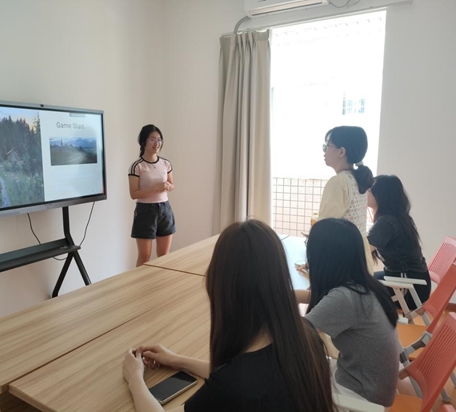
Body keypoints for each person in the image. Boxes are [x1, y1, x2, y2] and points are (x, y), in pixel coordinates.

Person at [122, 220, 336, 412]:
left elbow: (233, 381)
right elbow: (243, 375)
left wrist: (135, 378)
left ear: (222, 288)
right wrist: (177, 360)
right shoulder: (307, 336)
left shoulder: (233, 386)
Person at [295, 218, 400, 408]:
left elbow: (296, 334)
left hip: (363, 397)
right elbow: (324, 303)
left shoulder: (345, 298)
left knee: (286, 380)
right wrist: (283, 295)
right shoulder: (363, 285)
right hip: (368, 383)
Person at [367, 175, 431, 310]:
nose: (366, 193)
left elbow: (363, 250)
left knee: (357, 288)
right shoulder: (397, 217)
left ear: (381, 196)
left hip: (410, 290)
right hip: (416, 283)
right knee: (363, 282)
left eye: (370, 190)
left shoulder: (386, 222)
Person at [318, 126, 375, 273]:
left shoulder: (338, 182)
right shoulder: (358, 180)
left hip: (342, 260)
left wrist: (313, 260)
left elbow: (324, 230)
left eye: (327, 146)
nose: (324, 151)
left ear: (341, 152)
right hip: (361, 256)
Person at [128, 124, 176, 266]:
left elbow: (172, 184)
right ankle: (141, 281)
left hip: (165, 209)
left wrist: (169, 186)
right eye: (152, 139)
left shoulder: (165, 163)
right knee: (144, 257)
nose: (157, 143)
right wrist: (155, 188)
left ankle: (162, 280)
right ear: (143, 141)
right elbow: (134, 194)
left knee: (164, 255)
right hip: (145, 211)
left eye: (159, 139)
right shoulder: (137, 166)